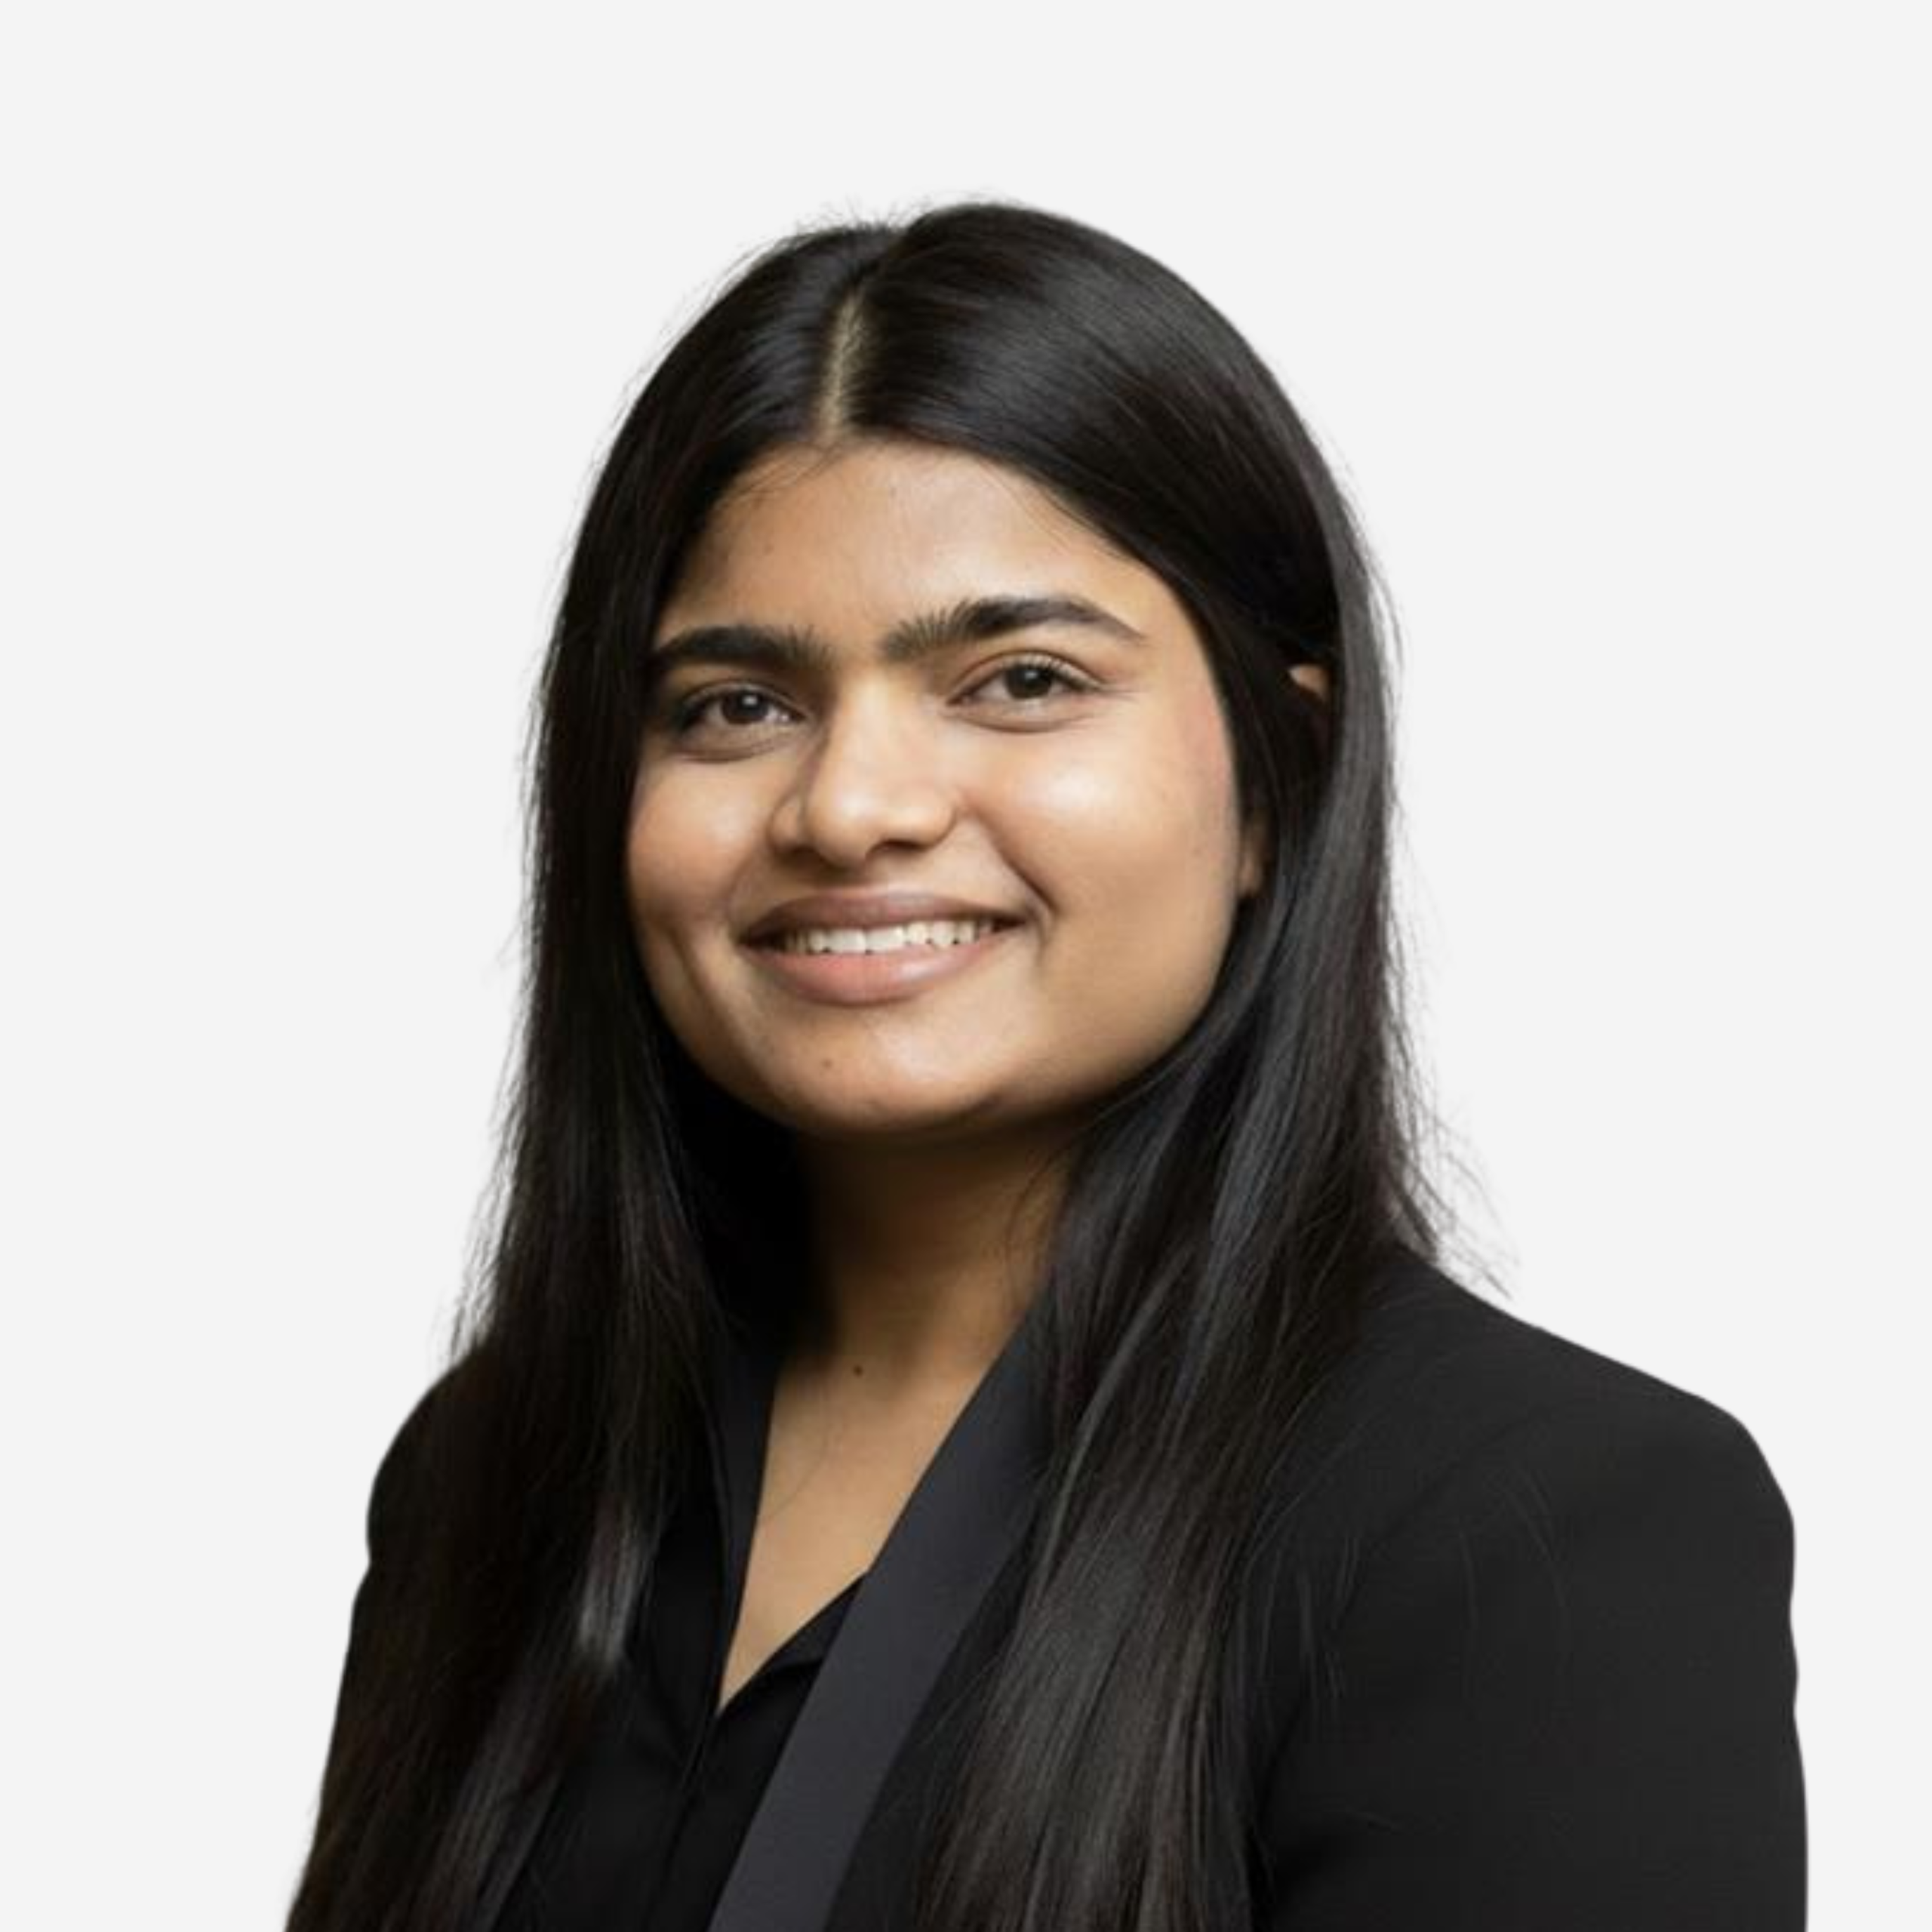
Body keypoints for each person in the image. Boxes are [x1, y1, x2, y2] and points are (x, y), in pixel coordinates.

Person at [283, 198, 1806, 1932]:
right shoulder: (492, 1475)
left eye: (1018, 678)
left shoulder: (1528, 1525)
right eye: (734, 704)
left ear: (1279, 775)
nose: (850, 804)